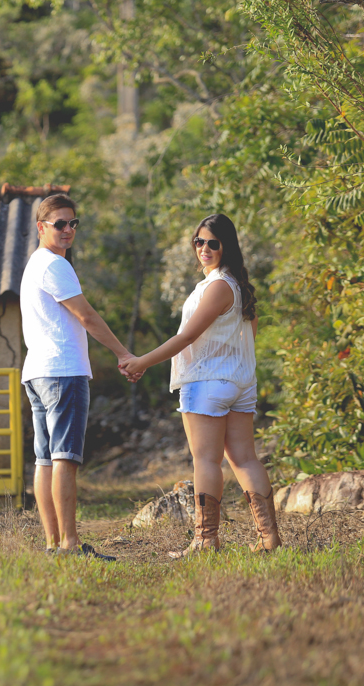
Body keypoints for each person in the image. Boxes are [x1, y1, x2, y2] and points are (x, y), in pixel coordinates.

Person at [120, 213, 281, 556]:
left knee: (206, 461)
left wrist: (142, 362)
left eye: (213, 243)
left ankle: (206, 540)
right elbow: (247, 338)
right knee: (245, 459)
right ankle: (269, 538)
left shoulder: (218, 286)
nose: (204, 249)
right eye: (199, 242)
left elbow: (187, 336)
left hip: (208, 384)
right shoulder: (236, 287)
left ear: (226, 247)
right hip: (239, 383)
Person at [21, 193, 135, 558]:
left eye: (73, 223)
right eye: (60, 224)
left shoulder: (35, 264)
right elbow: (87, 316)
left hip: (37, 372)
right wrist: (123, 353)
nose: (68, 230)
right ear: (42, 227)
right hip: (62, 372)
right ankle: (69, 544)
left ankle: (54, 543)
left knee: (44, 458)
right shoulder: (55, 266)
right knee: (64, 458)